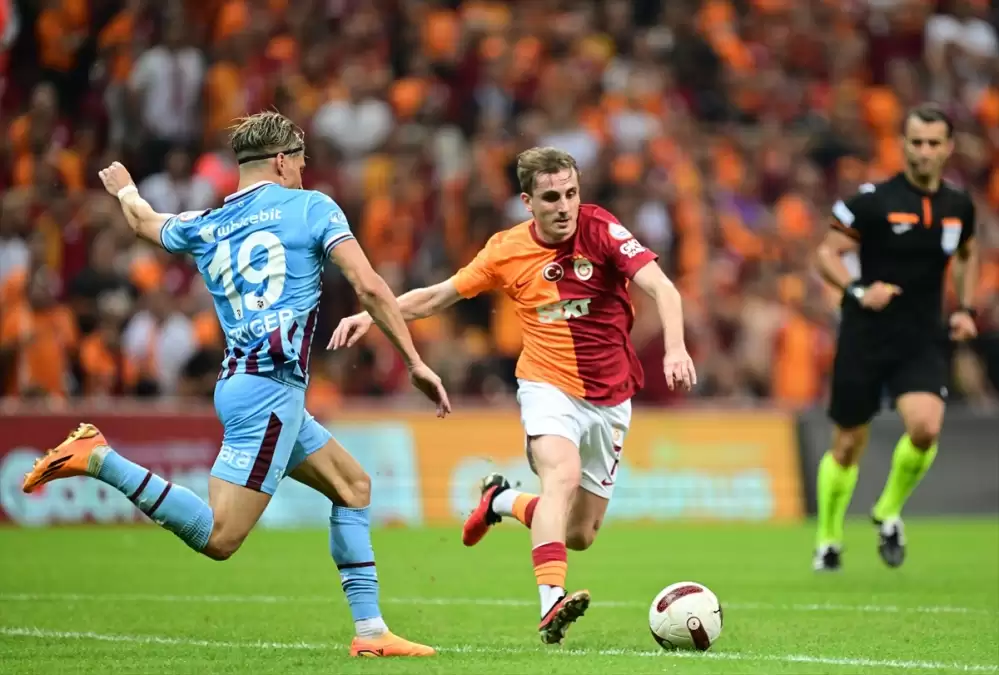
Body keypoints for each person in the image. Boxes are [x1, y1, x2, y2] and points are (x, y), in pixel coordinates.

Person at [21, 111, 450, 657]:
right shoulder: (312, 207)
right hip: (270, 390)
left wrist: (126, 188)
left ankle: (370, 633)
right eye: (300, 161)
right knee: (221, 537)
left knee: (353, 488)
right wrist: (413, 361)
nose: (303, 171)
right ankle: (99, 458)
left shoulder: (208, 223)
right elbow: (367, 285)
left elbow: (145, 223)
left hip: (247, 384)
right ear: (282, 161)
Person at [330, 146, 696, 644]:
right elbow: (437, 296)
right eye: (551, 198)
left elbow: (664, 289)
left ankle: (500, 500)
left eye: (571, 194)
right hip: (548, 387)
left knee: (580, 533)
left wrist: (675, 348)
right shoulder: (506, 250)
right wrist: (371, 314)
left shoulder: (603, 230)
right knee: (561, 477)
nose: (564, 206)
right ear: (528, 202)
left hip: (610, 397)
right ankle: (551, 603)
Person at [813, 104, 979, 571]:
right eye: (916, 142)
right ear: (903, 145)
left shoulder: (959, 206)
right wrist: (858, 290)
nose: (924, 151)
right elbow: (826, 254)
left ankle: (887, 510)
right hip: (865, 336)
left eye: (933, 143)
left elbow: (967, 253)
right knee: (847, 445)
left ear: (948, 148)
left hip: (921, 337)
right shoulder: (873, 202)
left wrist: (964, 308)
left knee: (926, 428)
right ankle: (828, 537)